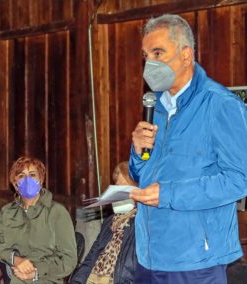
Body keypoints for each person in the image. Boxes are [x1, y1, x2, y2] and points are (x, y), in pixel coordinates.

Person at [129, 14, 247, 283]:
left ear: (185, 55)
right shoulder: (155, 107)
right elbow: (142, 174)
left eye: (158, 52)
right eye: (146, 55)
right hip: (149, 254)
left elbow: (239, 180)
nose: (150, 63)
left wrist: (168, 193)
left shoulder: (221, 105)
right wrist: (137, 152)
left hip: (196, 261)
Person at [0, 156, 77, 284]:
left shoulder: (57, 212)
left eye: (32, 175)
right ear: (15, 185)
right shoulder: (7, 211)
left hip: (43, 274)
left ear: (41, 180)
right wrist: (14, 259)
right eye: (22, 175)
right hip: (10, 266)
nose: (28, 180)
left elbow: (68, 259)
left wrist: (35, 270)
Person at [69, 161, 137, 284]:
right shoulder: (110, 222)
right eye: (116, 188)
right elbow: (91, 257)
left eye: (123, 189)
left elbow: (134, 270)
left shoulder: (141, 223)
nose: (118, 195)